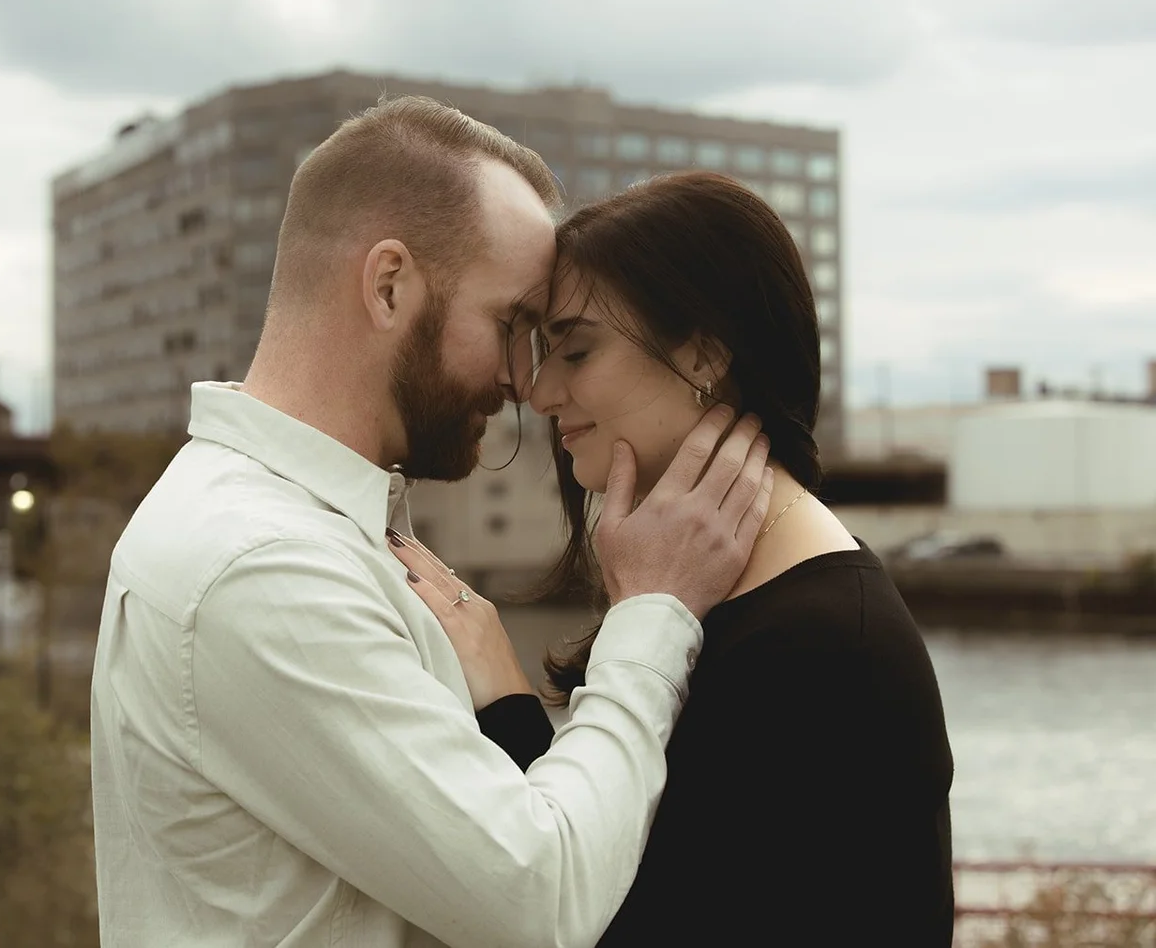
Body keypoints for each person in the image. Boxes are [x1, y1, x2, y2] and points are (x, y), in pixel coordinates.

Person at [88, 99, 777, 948]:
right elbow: (541, 897)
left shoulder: (285, 525)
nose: (527, 381)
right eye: (511, 324)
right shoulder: (262, 565)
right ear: (388, 287)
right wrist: (654, 614)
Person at [402, 171, 956, 946]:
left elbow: (603, 925)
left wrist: (508, 706)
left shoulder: (820, 644)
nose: (537, 389)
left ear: (702, 354)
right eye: (539, 351)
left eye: (576, 351)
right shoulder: (733, 594)